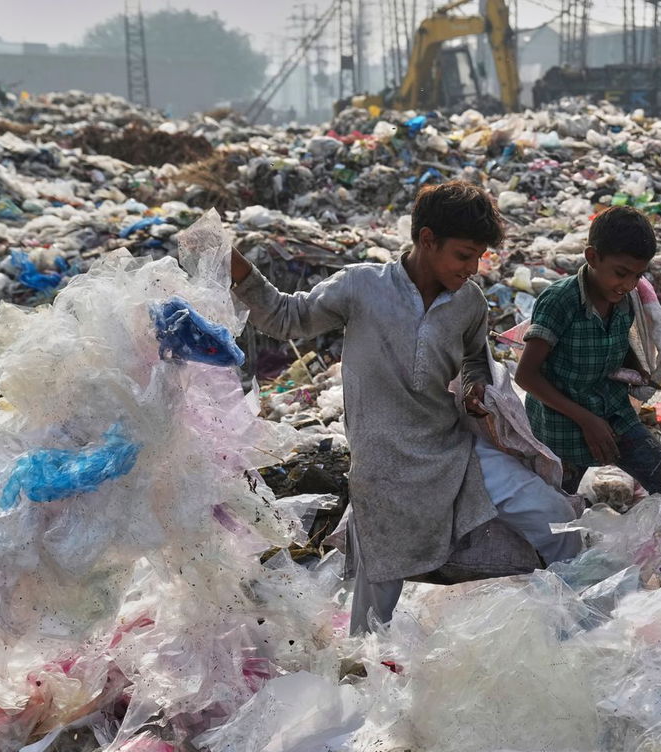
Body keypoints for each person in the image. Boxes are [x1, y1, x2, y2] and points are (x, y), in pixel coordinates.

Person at [230, 180, 580, 634]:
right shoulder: (361, 287)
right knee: (374, 620)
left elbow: (476, 359)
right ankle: (362, 684)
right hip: (383, 468)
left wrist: (475, 387)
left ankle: (577, 628)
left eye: (479, 258)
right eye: (463, 255)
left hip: (452, 452)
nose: (472, 268)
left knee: (555, 520)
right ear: (427, 239)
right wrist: (235, 266)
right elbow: (286, 317)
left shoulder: (469, 302)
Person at [515, 206, 661, 500]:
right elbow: (526, 375)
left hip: (612, 413)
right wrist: (586, 420)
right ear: (592, 257)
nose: (629, 284)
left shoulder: (625, 300)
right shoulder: (561, 301)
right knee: (556, 514)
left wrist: (636, 370)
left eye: (637, 275)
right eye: (621, 273)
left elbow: (614, 348)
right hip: (563, 428)